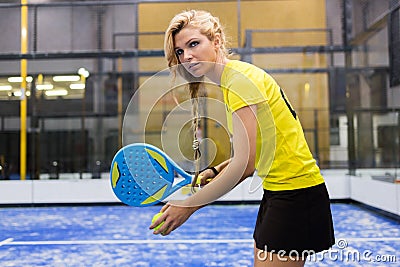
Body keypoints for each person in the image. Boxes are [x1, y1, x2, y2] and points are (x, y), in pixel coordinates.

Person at [150, 10, 335, 266]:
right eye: (180, 51)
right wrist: (215, 170)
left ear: (216, 41)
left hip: (295, 195)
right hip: (280, 193)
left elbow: (245, 165)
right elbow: (254, 152)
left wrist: (189, 206)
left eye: (194, 44)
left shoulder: (239, 81)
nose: (187, 56)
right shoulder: (234, 79)